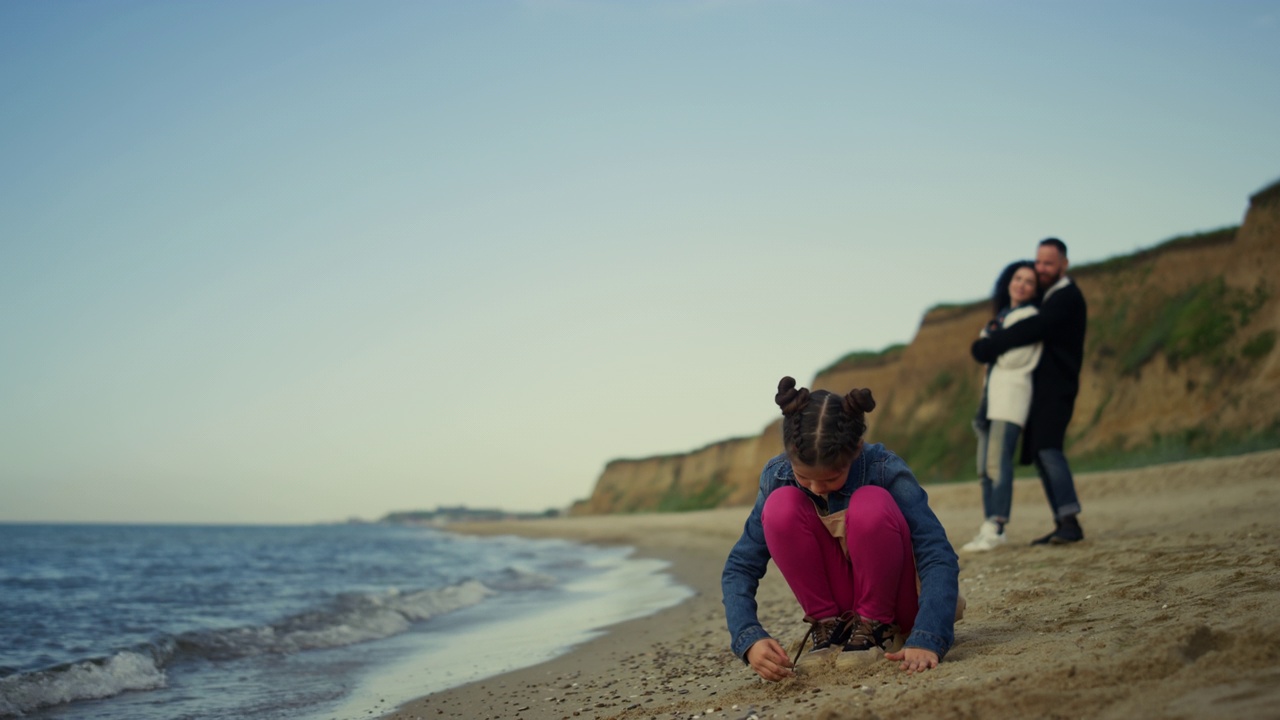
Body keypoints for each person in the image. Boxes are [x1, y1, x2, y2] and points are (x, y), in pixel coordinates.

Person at [721, 377, 960, 681]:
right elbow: (740, 566)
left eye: (831, 479)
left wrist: (928, 636)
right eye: (804, 477)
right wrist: (748, 636)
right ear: (789, 453)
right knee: (780, 506)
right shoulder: (777, 476)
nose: (817, 488)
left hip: (899, 603)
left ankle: (877, 629)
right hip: (844, 607)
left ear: (857, 449)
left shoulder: (883, 468)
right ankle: (831, 631)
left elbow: (937, 554)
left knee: (870, 503)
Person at [971, 238, 1087, 545]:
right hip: (1041, 391)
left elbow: (1034, 328)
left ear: (1064, 264)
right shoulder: (1049, 297)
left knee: (1048, 451)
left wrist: (988, 345)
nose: (1042, 268)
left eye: (1048, 263)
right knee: (1041, 453)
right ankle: (1064, 521)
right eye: (1039, 262)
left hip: (1057, 388)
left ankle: (1069, 520)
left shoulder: (1066, 297)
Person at [963, 260, 1043, 552]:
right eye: (1018, 278)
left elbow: (1012, 359)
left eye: (1029, 282)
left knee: (998, 463)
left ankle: (997, 524)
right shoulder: (1000, 318)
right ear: (1009, 281)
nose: (1021, 284)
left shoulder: (1030, 316)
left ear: (1034, 290)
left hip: (1011, 400)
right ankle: (989, 526)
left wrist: (992, 346)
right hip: (989, 401)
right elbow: (984, 351)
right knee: (984, 468)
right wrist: (995, 345)